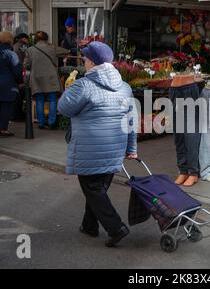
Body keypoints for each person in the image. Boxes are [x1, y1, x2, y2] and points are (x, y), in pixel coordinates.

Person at [58, 41, 138, 248]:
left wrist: (68, 89)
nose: (84, 62)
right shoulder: (125, 87)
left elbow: (64, 108)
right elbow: (131, 120)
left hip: (89, 149)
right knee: (98, 189)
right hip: (115, 147)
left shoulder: (83, 85)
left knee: (93, 189)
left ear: (92, 62)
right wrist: (131, 148)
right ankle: (89, 226)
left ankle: (116, 228)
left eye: (85, 59)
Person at [24, 31, 69, 129]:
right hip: (51, 77)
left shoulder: (30, 50)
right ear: (46, 38)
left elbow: (26, 65)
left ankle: (41, 123)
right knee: (53, 99)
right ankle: (51, 122)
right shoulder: (51, 47)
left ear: (36, 39)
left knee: (39, 100)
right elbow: (66, 51)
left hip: (37, 77)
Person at [0, 32, 22, 137]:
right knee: (6, 106)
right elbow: (17, 70)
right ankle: (3, 129)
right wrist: (20, 81)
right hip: (7, 84)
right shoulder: (10, 53)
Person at [11, 33, 29, 121]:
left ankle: (14, 114)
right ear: (24, 39)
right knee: (20, 94)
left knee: (16, 95)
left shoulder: (14, 45)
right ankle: (17, 115)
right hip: (20, 71)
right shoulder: (23, 46)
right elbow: (26, 57)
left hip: (14, 72)